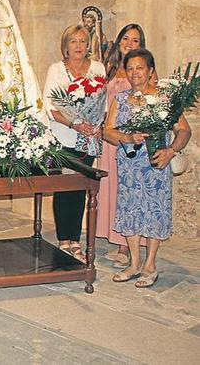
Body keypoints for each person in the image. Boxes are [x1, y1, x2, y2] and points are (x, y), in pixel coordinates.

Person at [103, 49, 191, 288]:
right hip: (130, 165)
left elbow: (184, 130)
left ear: (151, 70)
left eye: (140, 68)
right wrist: (128, 137)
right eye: (130, 69)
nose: (135, 74)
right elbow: (108, 131)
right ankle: (134, 263)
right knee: (131, 210)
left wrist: (171, 150)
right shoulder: (121, 99)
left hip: (156, 165)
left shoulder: (164, 99)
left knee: (154, 211)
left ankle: (150, 265)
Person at [42, 25, 106, 263]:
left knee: (80, 188)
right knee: (64, 187)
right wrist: (74, 123)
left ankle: (75, 239)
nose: (78, 46)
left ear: (88, 45)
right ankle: (63, 239)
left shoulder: (97, 68)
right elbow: (50, 106)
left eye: (82, 41)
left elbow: (104, 101)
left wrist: (96, 125)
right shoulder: (56, 69)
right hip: (64, 136)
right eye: (73, 42)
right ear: (65, 46)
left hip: (88, 138)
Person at [96, 24, 146, 266]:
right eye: (126, 38)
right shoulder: (111, 67)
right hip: (111, 137)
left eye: (135, 40)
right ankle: (117, 238)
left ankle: (127, 246)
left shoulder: (142, 70)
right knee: (113, 186)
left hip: (132, 138)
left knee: (129, 189)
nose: (129, 43)